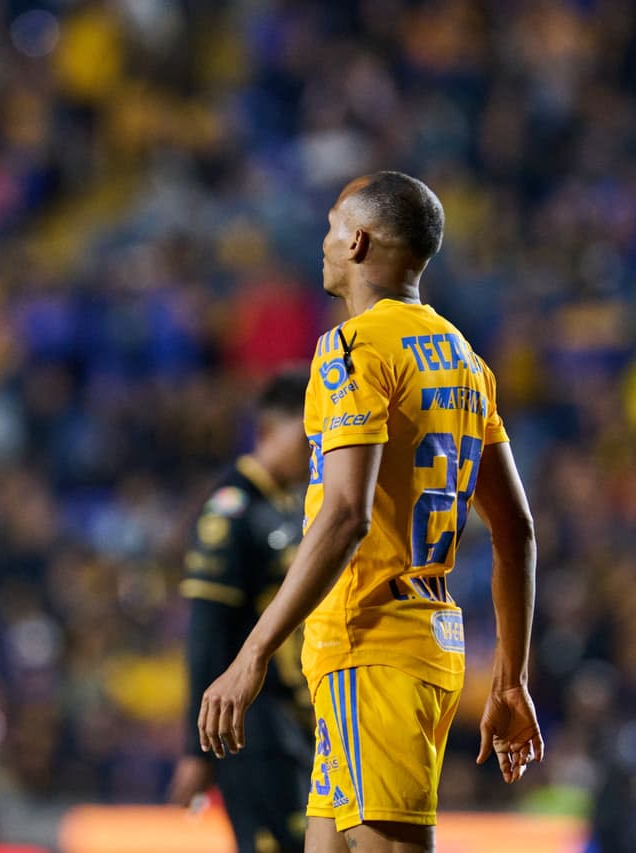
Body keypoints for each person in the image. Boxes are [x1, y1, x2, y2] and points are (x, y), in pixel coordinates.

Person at [197, 172, 544, 853]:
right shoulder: (464, 359)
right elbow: (516, 529)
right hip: (419, 646)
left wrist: (254, 651)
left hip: (371, 646)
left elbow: (346, 514)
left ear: (356, 240)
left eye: (330, 227)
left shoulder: (352, 349)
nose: (322, 243)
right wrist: (511, 678)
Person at [168, 370, 313, 853]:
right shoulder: (232, 511)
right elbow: (207, 631)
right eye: (307, 435)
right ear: (270, 430)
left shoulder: (290, 507)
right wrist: (197, 746)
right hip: (250, 723)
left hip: (291, 718)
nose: (316, 449)